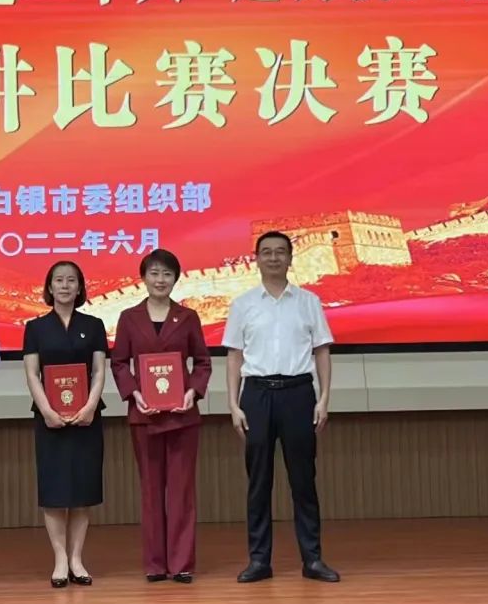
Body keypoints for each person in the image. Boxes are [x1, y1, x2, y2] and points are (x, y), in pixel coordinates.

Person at [222, 231, 340, 584]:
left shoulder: (309, 302)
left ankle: (313, 559)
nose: (273, 258)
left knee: (303, 480)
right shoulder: (243, 304)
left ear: (290, 258)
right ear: (256, 259)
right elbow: (234, 356)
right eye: (266, 252)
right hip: (256, 395)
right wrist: (233, 404)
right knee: (259, 482)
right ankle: (259, 560)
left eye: (280, 252)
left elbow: (322, 351)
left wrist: (324, 399)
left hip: (298, 394)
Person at [110, 249, 212, 583]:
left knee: (181, 492)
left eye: (167, 274)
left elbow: (202, 361)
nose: (160, 280)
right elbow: (119, 362)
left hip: (182, 415)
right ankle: (155, 564)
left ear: (175, 279)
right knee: (151, 492)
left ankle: (181, 563)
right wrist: (135, 394)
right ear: (143, 278)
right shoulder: (129, 318)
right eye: (154, 273)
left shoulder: (188, 317)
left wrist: (192, 391)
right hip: (145, 415)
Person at [22, 260, 107, 588]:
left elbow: (98, 371)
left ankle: (77, 558)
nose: (65, 286)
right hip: (50, 420)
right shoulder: (36, 327)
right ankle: (59, 559)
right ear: (49, 287)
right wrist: (46, 411)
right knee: (55, 491)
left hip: (87, 418)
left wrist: (89, 407)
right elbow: (32, 373)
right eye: (59, 280)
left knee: (83, 490)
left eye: (71, 280)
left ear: (80, 287)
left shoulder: (94, 325)